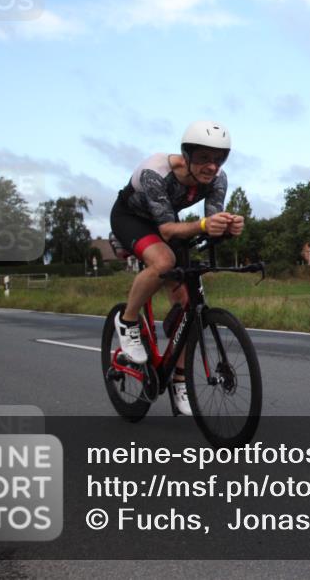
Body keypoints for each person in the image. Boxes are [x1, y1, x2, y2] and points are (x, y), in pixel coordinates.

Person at [109, 120, 244, 415]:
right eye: (204, 158)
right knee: (164, 261)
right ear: (186, 156)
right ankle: (128, 321)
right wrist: (205, 224)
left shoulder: (218, 179)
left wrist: (228, 226)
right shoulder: (155, 171)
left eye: (219, 158)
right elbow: (168, 231)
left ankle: (179, 380)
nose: (212, 166)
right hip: (131, 218)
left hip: (167, 223)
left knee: (187, 303)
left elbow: (210, 224)